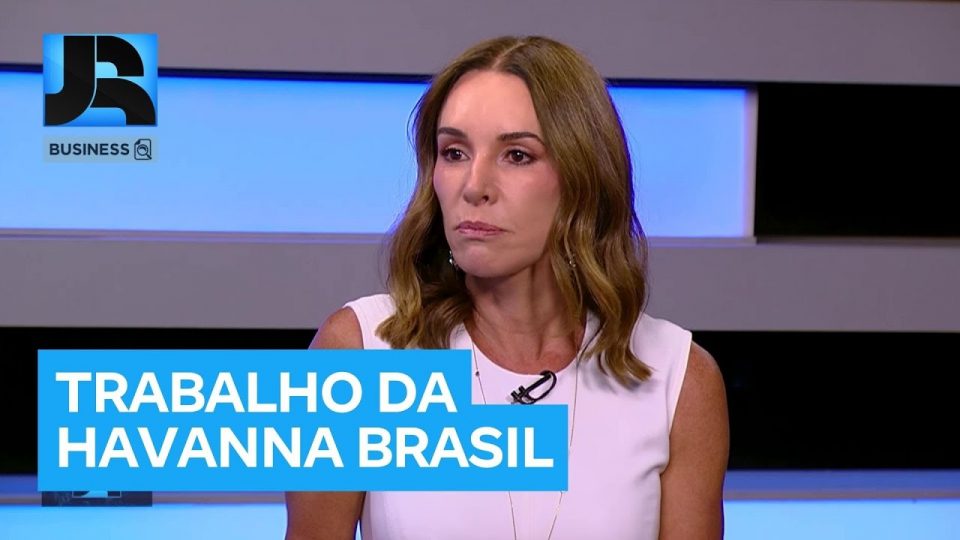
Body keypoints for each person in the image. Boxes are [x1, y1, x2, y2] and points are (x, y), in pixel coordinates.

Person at [286, 35, 729, 540]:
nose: (474, 186)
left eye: (517, 155)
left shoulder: (679, 379)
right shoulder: (359, 351)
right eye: (454, 152)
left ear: (583, 179)